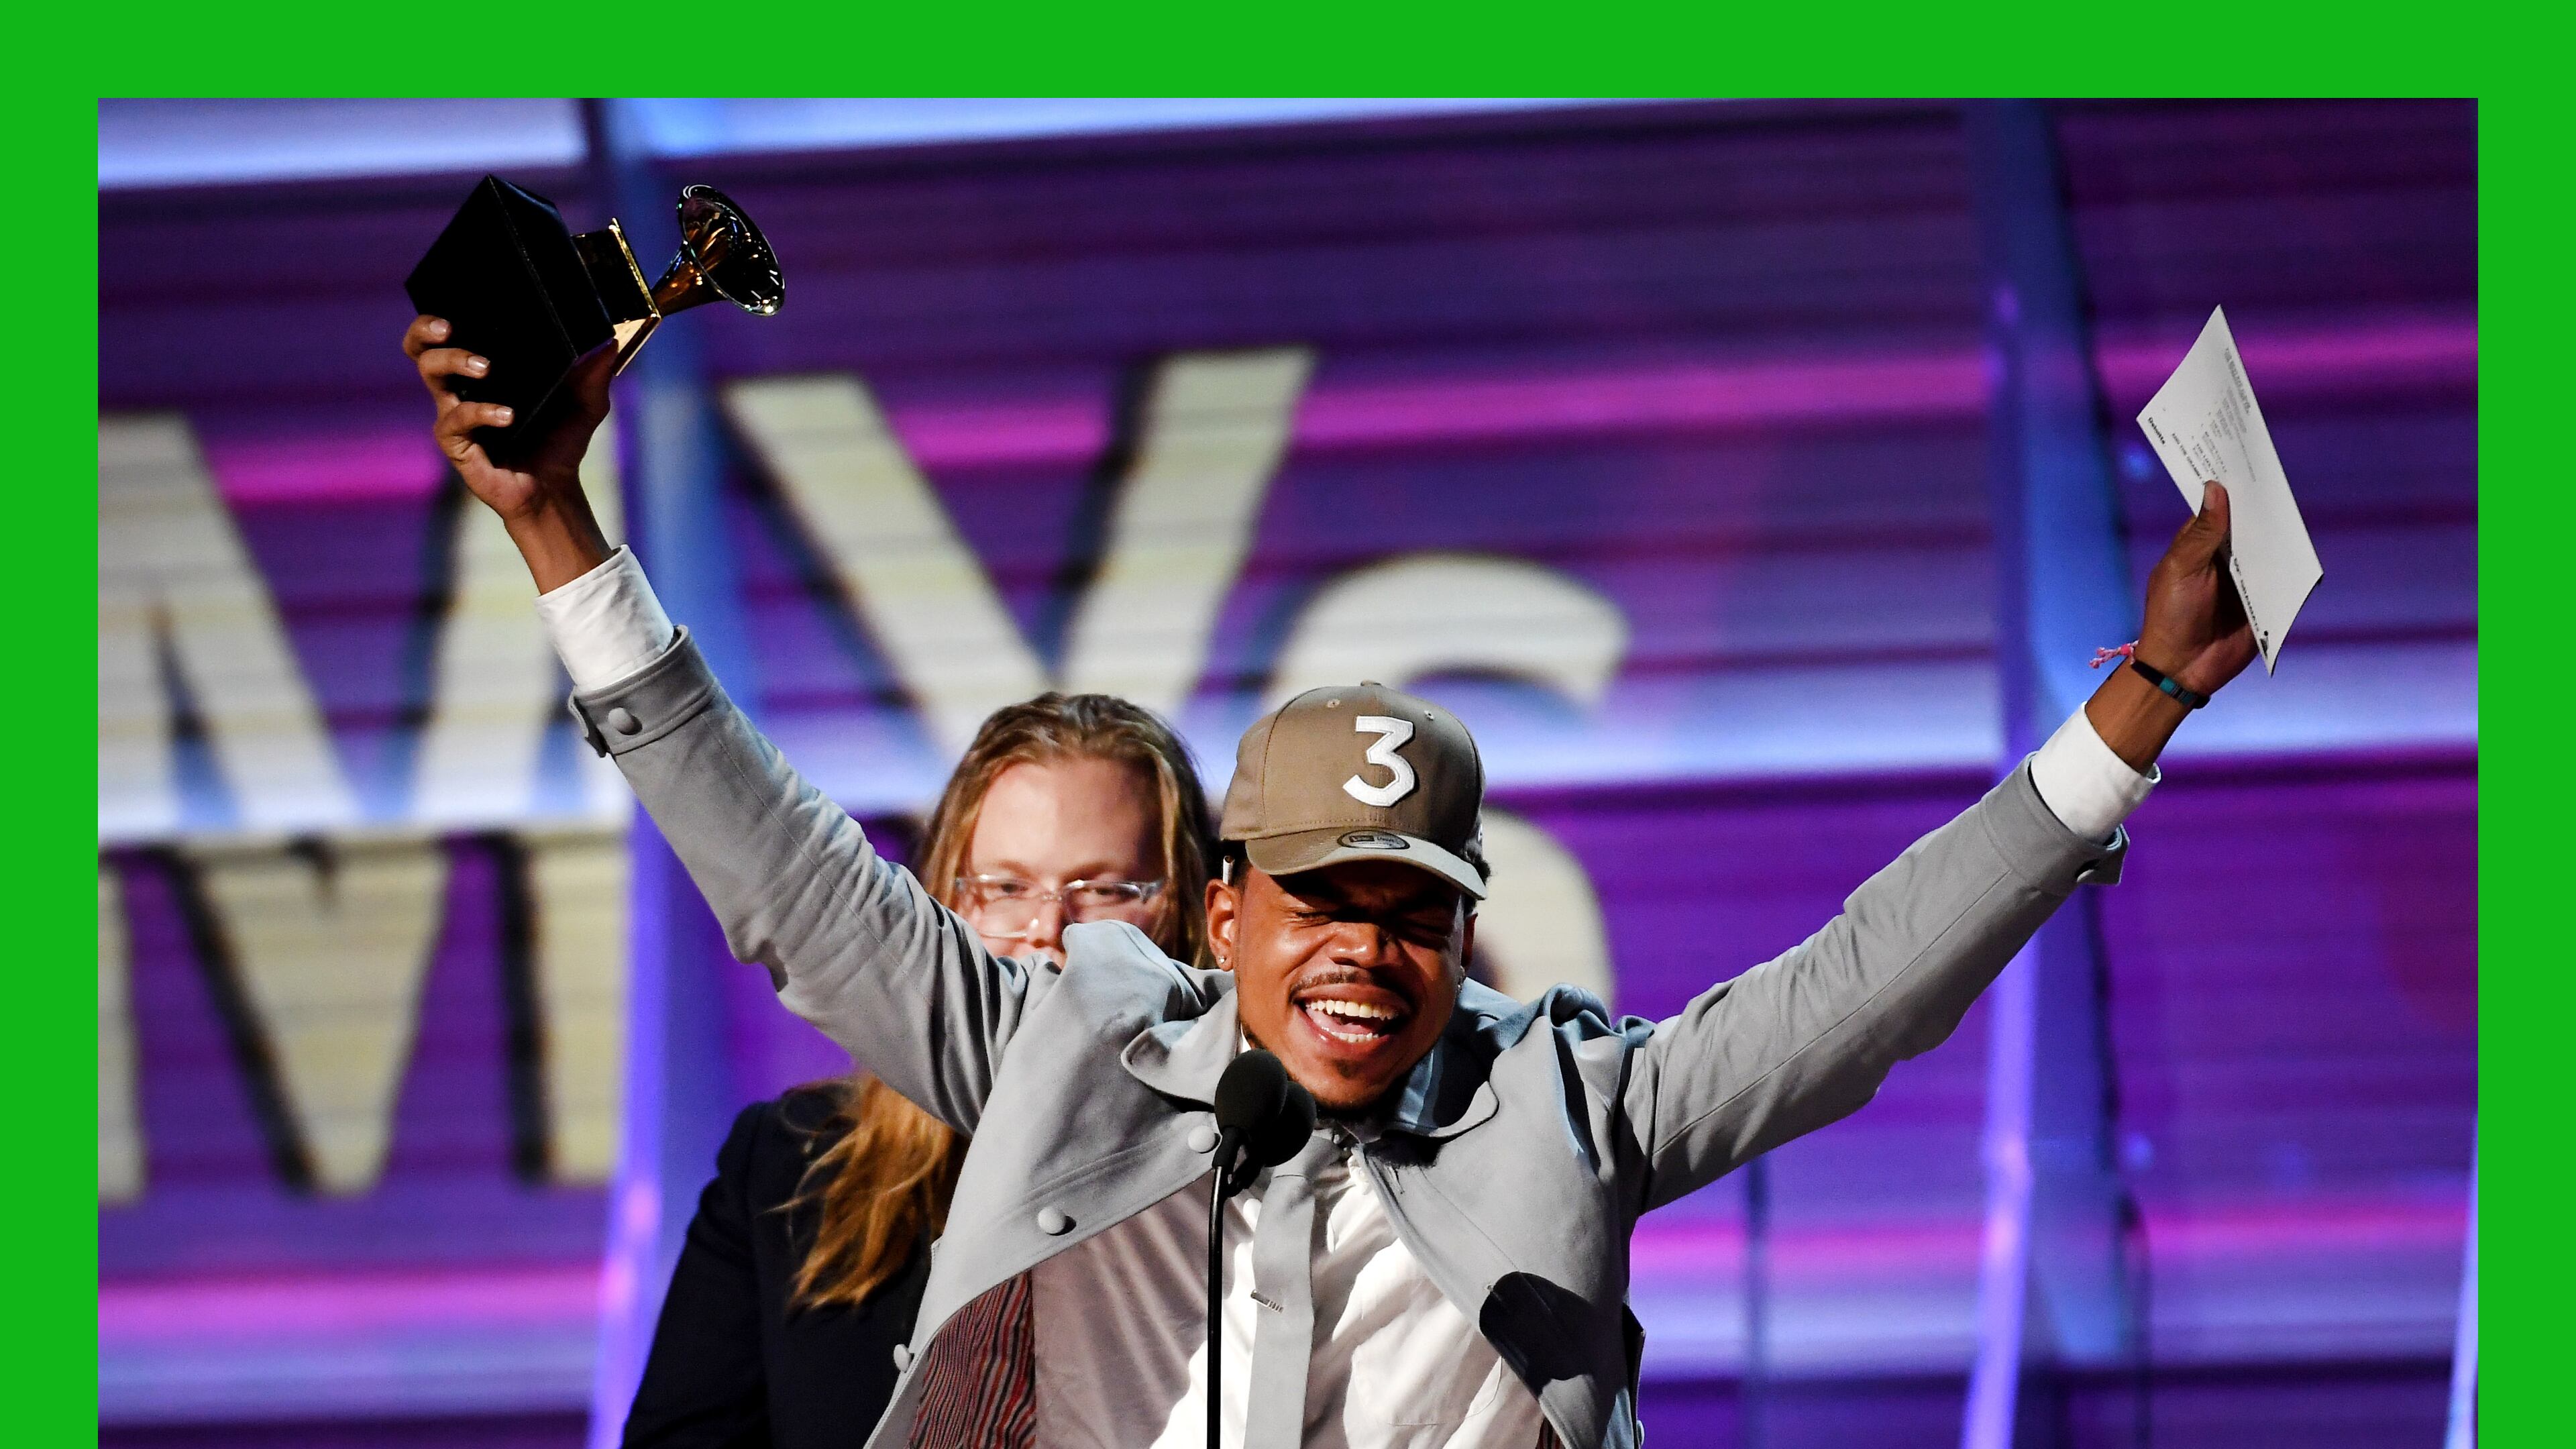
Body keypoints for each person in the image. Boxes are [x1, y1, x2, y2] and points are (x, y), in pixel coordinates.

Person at [408, 318, 2256, 1449]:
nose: (1364, 952)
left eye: (1411, 910)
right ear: (1225, 917)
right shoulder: (1075, 1043)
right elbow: (789, 876)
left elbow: (1866, 988)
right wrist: (561, 527)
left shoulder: (1571, 1103)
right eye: (1318, 902)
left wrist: (2137, 707)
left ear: (1465, 930)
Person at [622, 692, 1220, 1449]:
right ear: (945, 905)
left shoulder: (1252, 1181)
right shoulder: (791, 1171)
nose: (1048, 934)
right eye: (1005, 888)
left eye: (1103, 891)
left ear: (1197, 919)